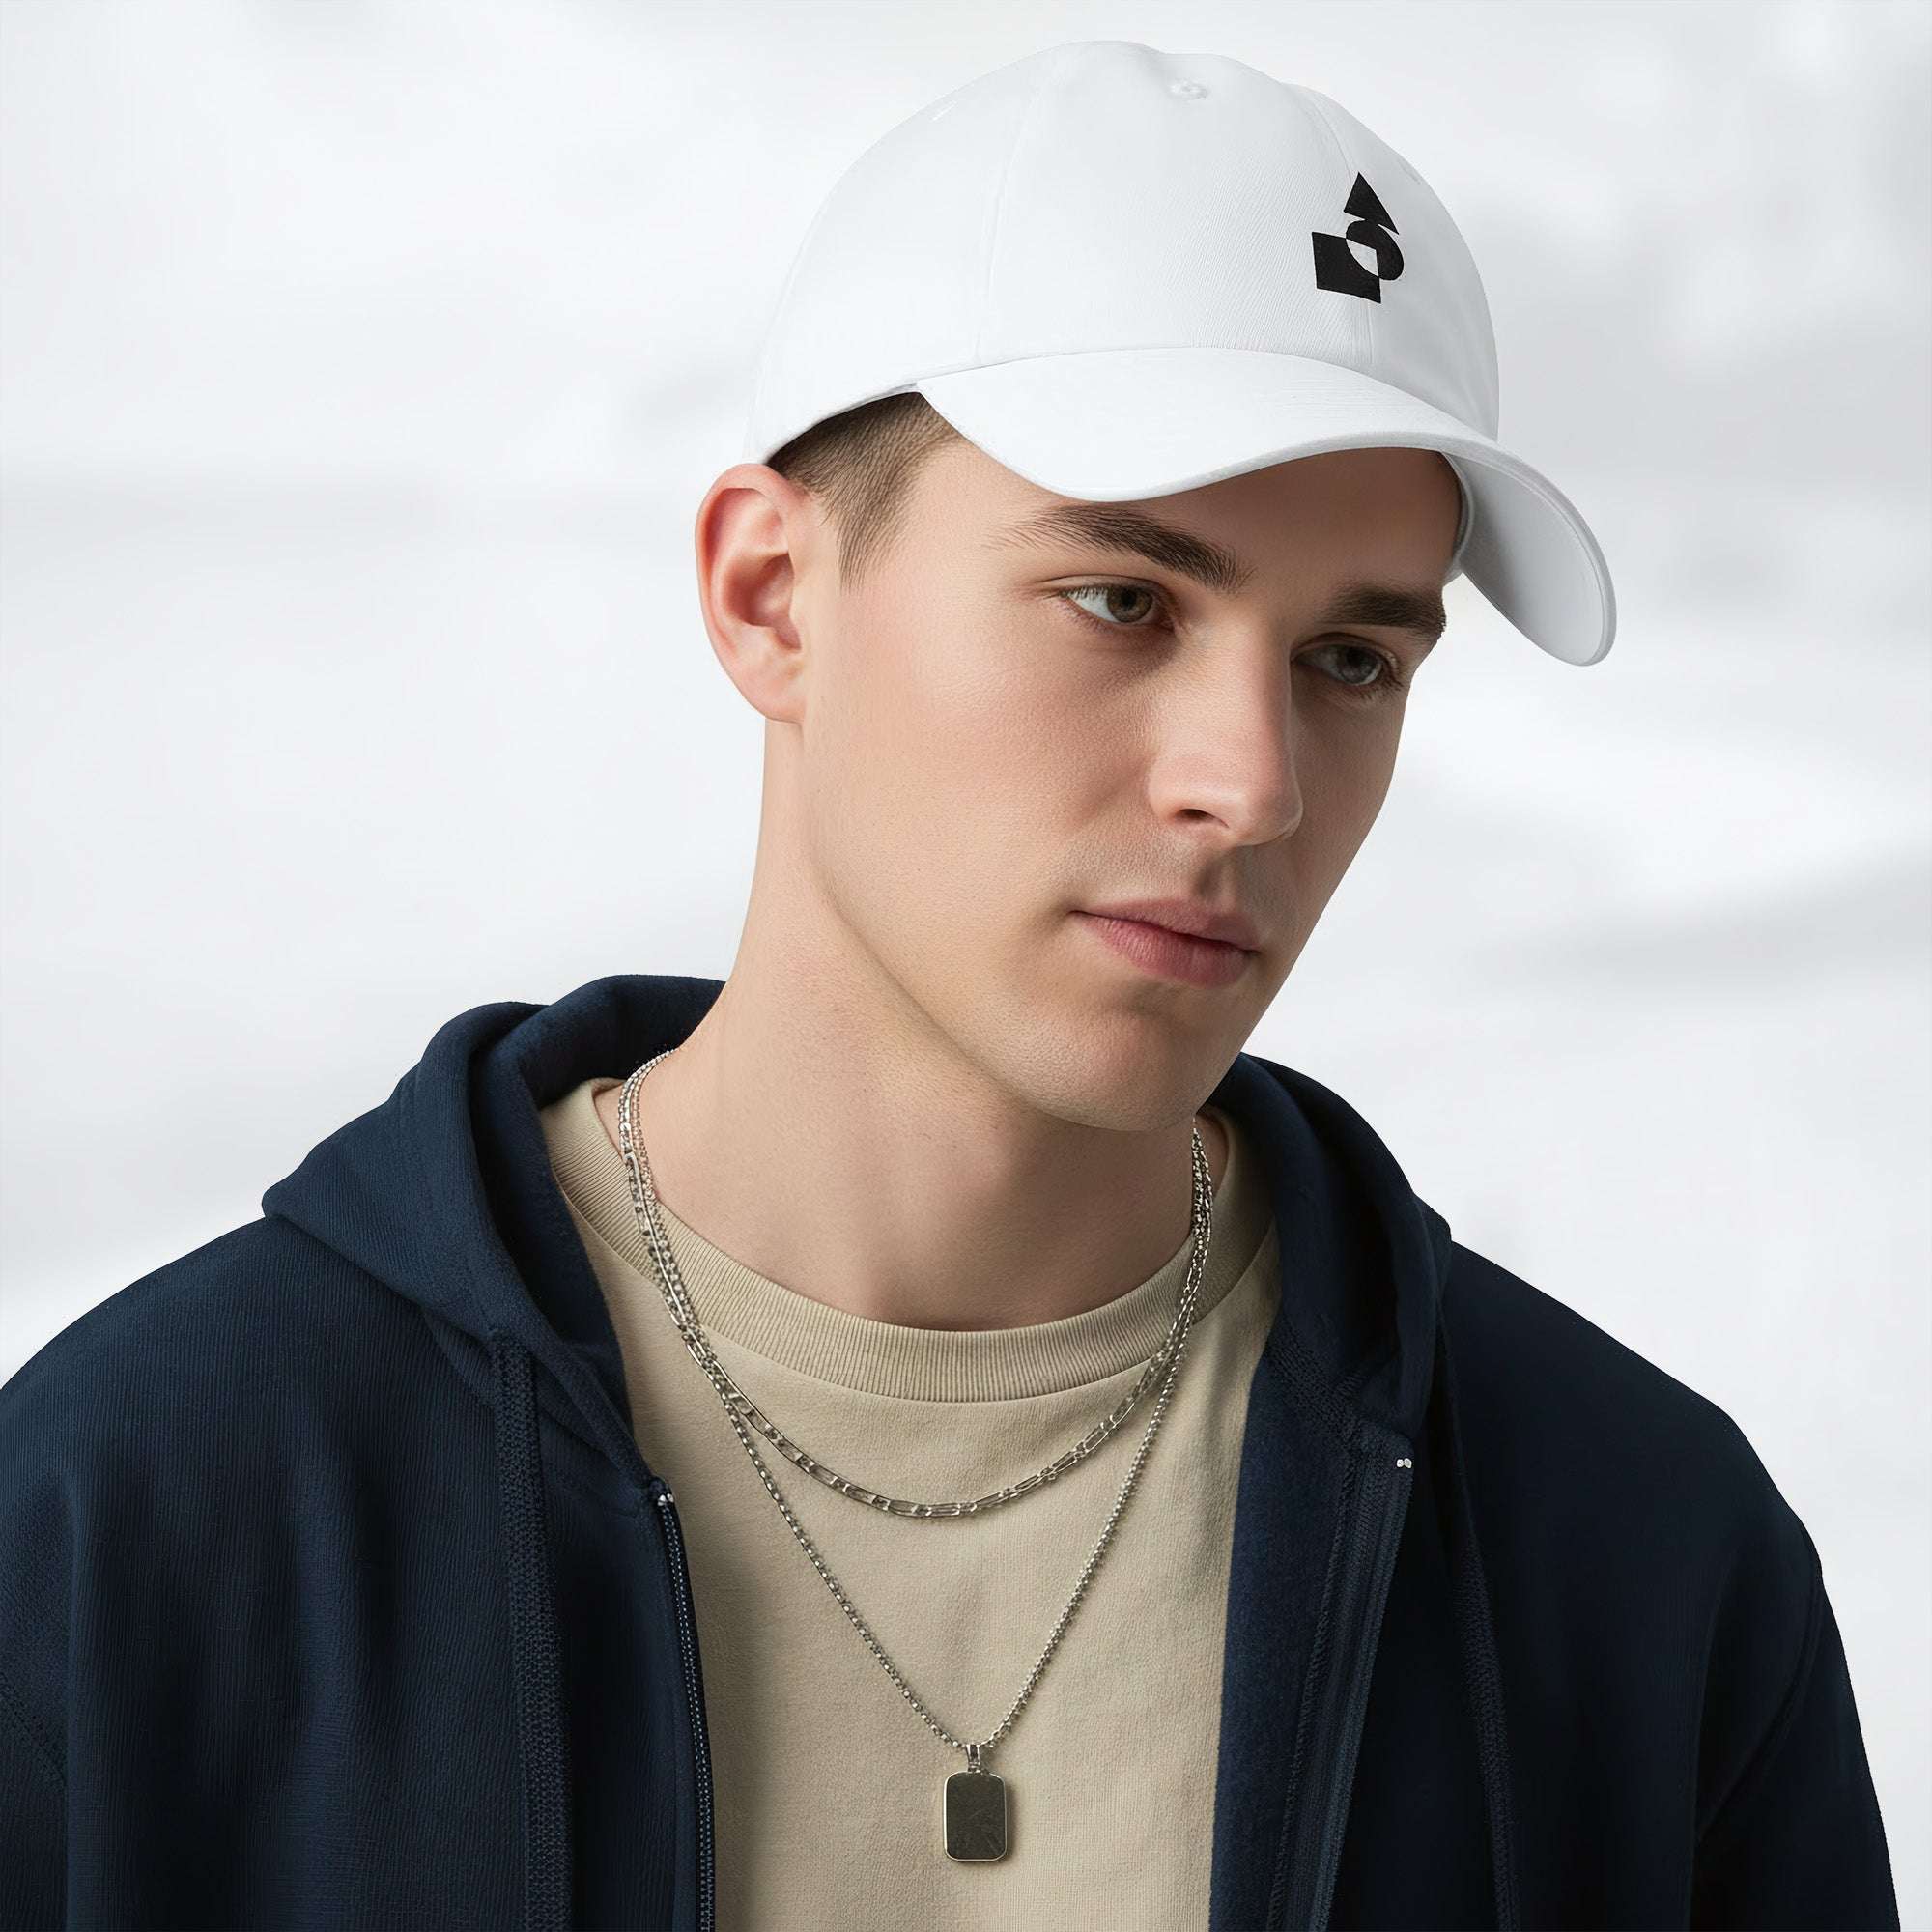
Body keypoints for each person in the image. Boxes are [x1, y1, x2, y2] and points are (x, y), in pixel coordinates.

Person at [0, 38, 1899, 1932]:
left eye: (1349, 660)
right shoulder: (145, 1514)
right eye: (1123, 601)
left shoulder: (1636, 1558)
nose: (1250, 784)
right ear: (768, 595)